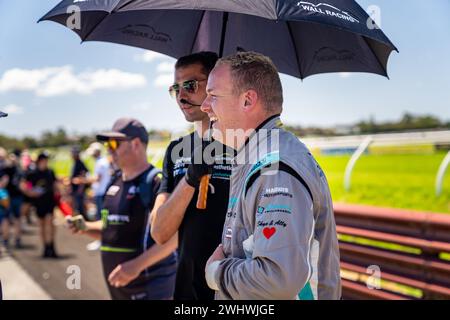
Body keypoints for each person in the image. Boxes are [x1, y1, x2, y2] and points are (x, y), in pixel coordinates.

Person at [202, 52, 341, 300]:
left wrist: (215, 273)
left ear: (247, 100)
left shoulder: (276, 168)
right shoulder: (258, 158)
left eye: (212, 95)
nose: (204, 106)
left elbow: (277, 280)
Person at [151, 52, 233, 300]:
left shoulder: (247, 145)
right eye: (175, 87)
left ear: (214, 86)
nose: (181, 95)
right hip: (187, 291)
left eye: (190, 85)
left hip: (234, 289)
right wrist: (190, 179)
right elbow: (160, 232)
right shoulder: (176, 150)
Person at [68, 118, 177, 300]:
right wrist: (85, 227)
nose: (109, 149)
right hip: (120, 287)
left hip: (151, 286)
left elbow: (175, 237)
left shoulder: (156, 183)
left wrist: (136, 265)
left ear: (135, 144)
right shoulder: (114, 181)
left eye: (114, 143)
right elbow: (110, 229)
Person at [21, 152, 60, 258]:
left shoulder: (50, 172)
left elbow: (55, 185)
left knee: (50, 222)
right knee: (42, 225)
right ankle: (46, 247)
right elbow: (24, 185)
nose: (45, 162)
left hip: (49, 201)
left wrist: (60, 194)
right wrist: (30, 193)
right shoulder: (32, 173)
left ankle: (51, 245)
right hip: (39, 203)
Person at [84, 142, 111, 251]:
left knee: (101, 218)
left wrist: (84, 180)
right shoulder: (104, 161)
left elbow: (97, 178)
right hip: (104, 192)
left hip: (101, 193)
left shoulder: (100, 163)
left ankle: (101, 240)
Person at [0, 150, 25, 248]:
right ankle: (17, 239)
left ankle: (6, 241)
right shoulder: (18, 169)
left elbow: (3, 184)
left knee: (6, 219)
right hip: (16, 196)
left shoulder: (4, 169)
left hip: (6, 197)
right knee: (17, 218)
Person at [70, 146, 89, 219]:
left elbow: (84, 176)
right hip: (76, 190)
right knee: (77, 208)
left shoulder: (80, 163)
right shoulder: (75, 163)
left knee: (80, 209)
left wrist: (80, 189)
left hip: (79, 191)